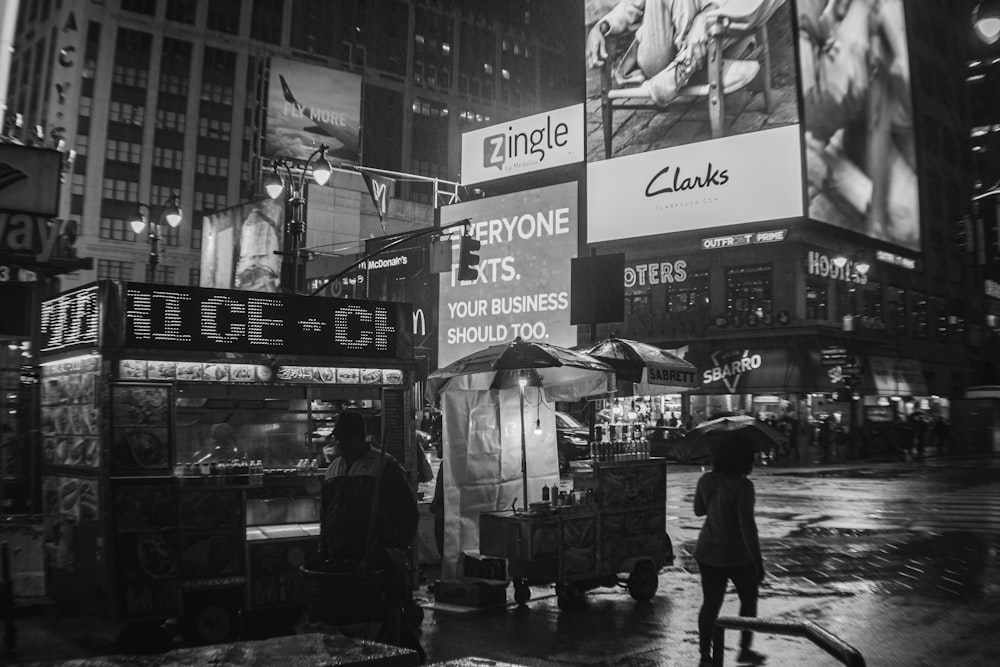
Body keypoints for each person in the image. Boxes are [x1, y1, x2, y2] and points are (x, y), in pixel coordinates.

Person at [320, 410, 422, 657]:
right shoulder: (333, 469)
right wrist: (324, 546)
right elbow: (326, 515)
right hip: (341, 566)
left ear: (358, 437)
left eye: (344, 439)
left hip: (376, 565)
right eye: (338, 439)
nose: (340, 445)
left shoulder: (384, 466)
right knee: (345, 632)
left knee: (383, 631)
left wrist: (389, 546)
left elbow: (408, 514)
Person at [693, 437, 765, 666]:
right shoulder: (743, 486)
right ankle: (744, 648)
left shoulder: (706, 480)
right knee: (748, 598)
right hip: (736, 554)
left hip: (707, 550)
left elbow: (698, 510)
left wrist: (714, 499)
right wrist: (757, 560)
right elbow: (747, 526)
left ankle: (705, 655)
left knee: (711, 604)